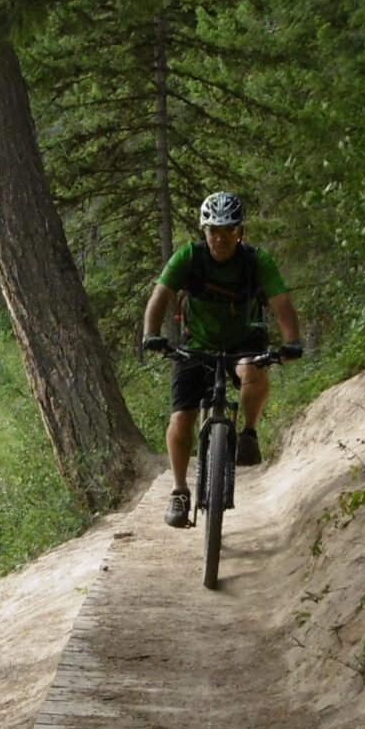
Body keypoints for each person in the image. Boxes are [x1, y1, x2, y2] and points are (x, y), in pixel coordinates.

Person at [139, 192, 302, 528]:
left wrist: (292, 341)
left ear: (240, 231)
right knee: (182, 416)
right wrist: (151, 334)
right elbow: (161, 295)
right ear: (204, 230)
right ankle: (180, 491)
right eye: (214, 230)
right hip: (196, 343)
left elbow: (281, 302)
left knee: (252, 369)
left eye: (228, 230)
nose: (221, 237)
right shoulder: (189, 256)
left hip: (244, 340)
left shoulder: (256, 261)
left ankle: (248, 434)